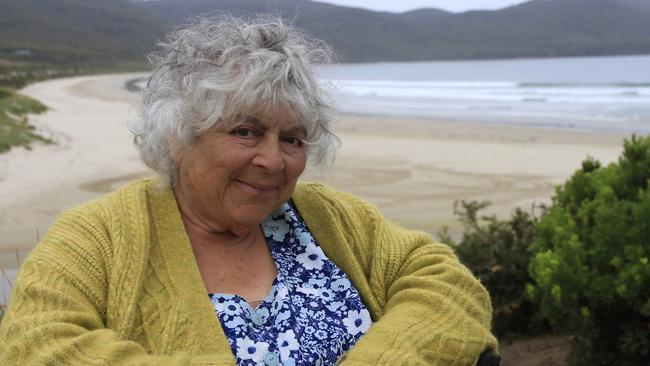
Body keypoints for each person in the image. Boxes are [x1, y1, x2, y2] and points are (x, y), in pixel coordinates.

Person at [0, 15, 497, 365]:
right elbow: (35, 345)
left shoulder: (331, 218)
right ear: (178, 135)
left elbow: (448, 287)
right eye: (245, 131)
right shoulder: (97, 237)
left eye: (292, 138)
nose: (273, 160)